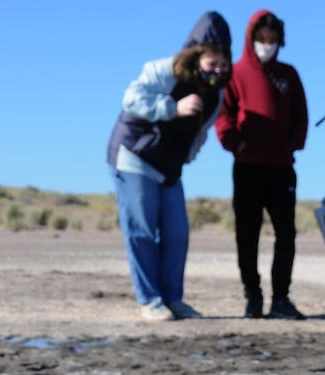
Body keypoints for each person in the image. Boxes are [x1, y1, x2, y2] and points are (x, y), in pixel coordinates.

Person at [106, 11, 232, 321]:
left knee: (177, 232)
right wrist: (173, 108)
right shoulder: (165, 71)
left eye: (223, 63)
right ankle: (150, 300)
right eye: (210, 62)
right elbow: (131, 99)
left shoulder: (218, 95)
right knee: (142, 230)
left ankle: (173, 298)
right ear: (196, 56)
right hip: (134, 155)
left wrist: (187, 155)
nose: (217, 69)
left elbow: (201, 132)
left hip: (170, 165)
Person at [214, 10, 308, 320]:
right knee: (247, 233)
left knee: (286, 233)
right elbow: (223, 117)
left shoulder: (289, 75)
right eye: (262, 39)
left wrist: (292, 143)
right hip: (247, 168)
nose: (267, 45)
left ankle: (281, 297)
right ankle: (252, 295)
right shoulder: (235, 74)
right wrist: (235, 143)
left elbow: (301, 116)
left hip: (281, 167)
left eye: (273, 40)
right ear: (251, 40)